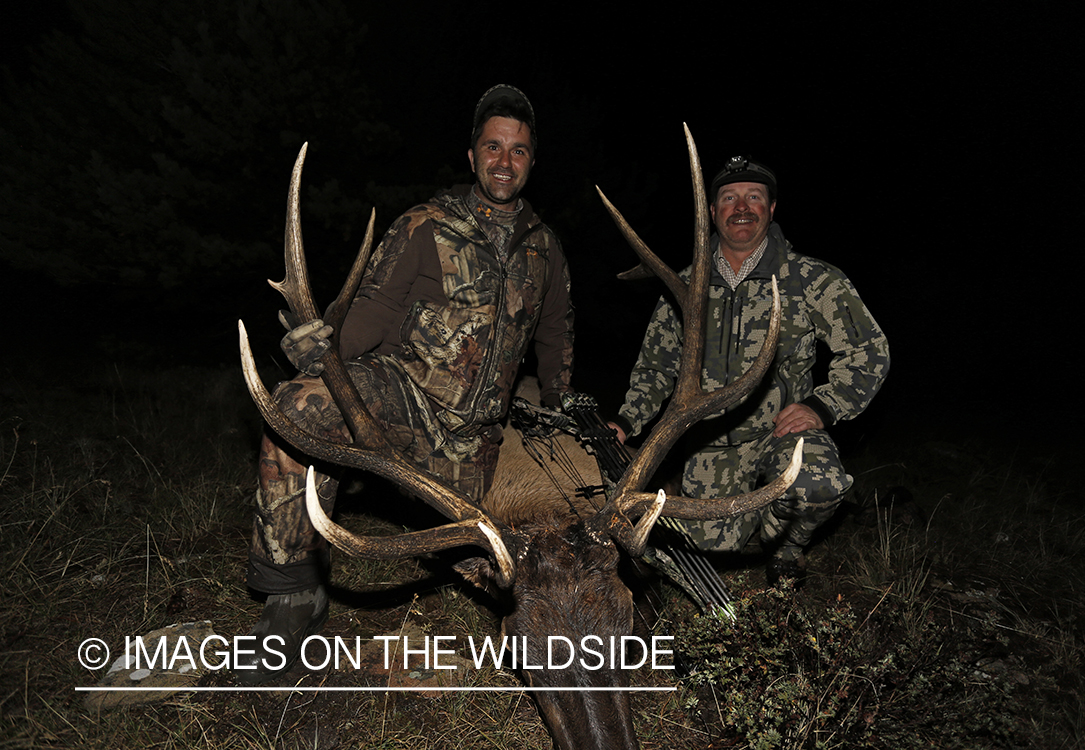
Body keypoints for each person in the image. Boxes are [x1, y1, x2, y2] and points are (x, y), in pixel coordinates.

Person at [240, 85, 574, 683]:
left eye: (518, 151)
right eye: (493, 147)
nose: (504, 161)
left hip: (478, 443)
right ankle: (293, 592)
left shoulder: (545, 250)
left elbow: (554, 343)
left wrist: (563, 404)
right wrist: (323, 350)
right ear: (472, 156)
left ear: (531, 160)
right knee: (299, 406)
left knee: (514, 568)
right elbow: (370, 312)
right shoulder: (425, 224)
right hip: (407, 403)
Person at [609, 155, 889, 585]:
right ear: (712, 212)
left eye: (753, 197)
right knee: (707, 550)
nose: (742, 207)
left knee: (818, 486)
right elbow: (654, 367)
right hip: (710, 442)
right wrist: (627, 422)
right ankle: (750, 515)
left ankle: (786, 551)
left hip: (783, 431)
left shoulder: (810, 278)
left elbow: (869, 350)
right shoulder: (682, 287)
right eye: (729, 198)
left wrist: (821, 406)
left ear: (771, 208)